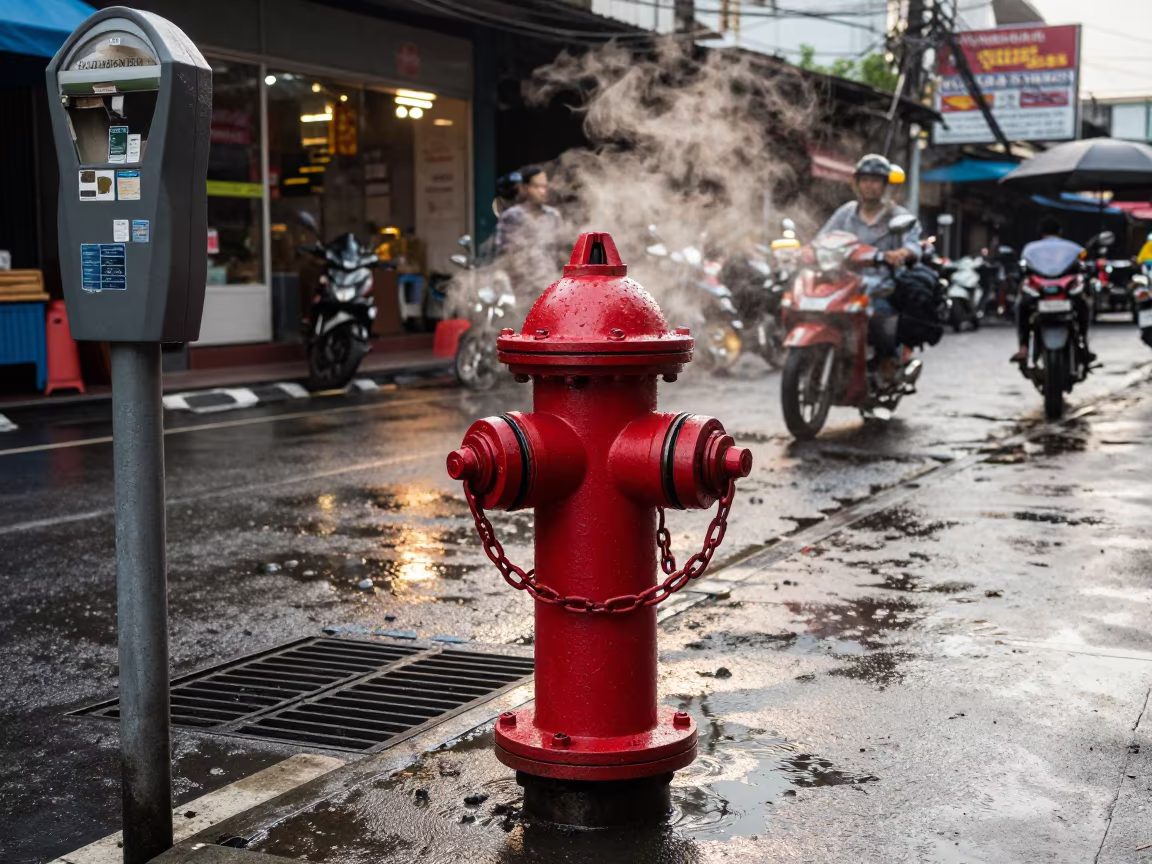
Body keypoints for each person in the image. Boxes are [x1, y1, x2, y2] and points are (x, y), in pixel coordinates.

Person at [817, 153, 921, 379]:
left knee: (879, 312)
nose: (869, 186)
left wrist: (902, 253)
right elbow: (823, 238)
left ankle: (887, 359)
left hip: (880, 284)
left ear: (885, 185)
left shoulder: (897, 215)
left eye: (875, 181)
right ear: (856, 183)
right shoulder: (846, 212)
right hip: (842, 281)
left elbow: (914, 246)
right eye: (865, 180)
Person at [1010, 215, 1093, 365]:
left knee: (1022, 307)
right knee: (1084, 306)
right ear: (1060, 231)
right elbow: (1085, 263)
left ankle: (1023, 347)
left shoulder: (1030, 248)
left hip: (1043, 288)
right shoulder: (1072, 247)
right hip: (1062, 288)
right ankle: (1083, 342)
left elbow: (1023, 267)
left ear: (1040, 232)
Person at [494, 165, 563, 298]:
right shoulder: (512, 217)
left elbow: (561, 252)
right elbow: (502, 255)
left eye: (545, 187)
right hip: (523, 290)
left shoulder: (553, 216)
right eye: (537, 187)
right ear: (524, 188)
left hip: (551, 287)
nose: (543, 192)